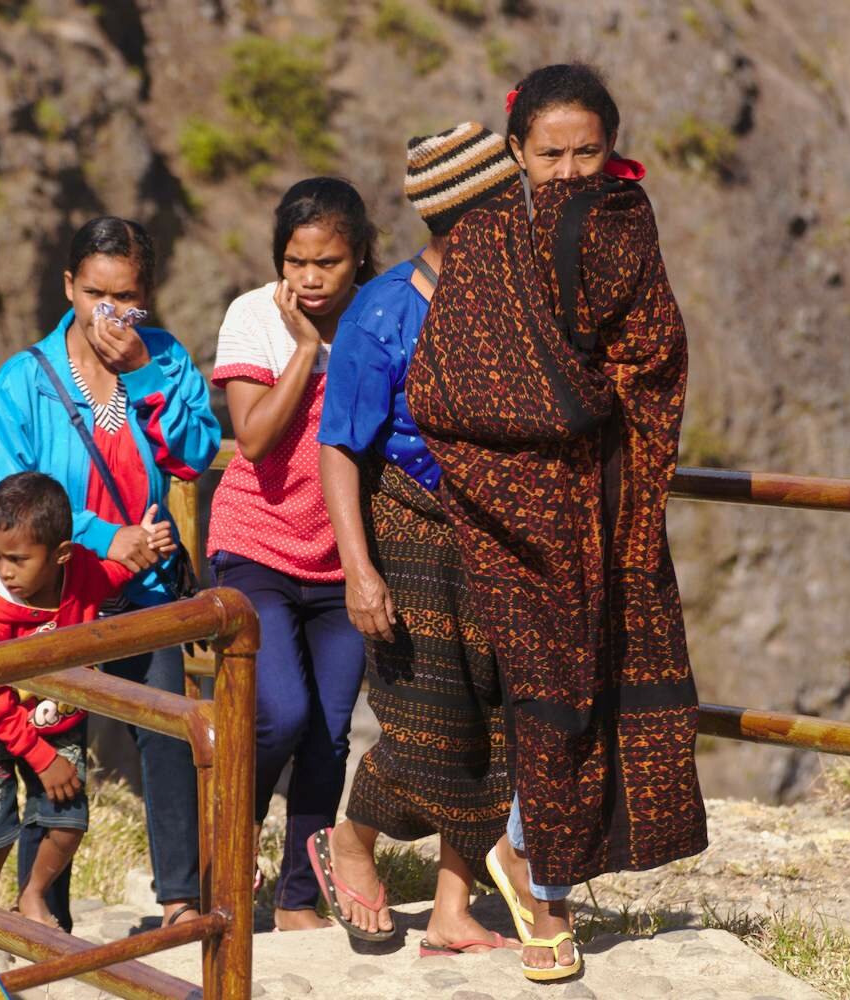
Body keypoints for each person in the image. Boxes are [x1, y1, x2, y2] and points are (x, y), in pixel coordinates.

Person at [407, 64, 707, 982]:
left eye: (588, 152)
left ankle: (531, 865)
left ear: (613, 149)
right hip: (518, 516)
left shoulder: (631, 227)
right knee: (550, 701)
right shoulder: (485, 241)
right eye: (550, 155)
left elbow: (657, 353)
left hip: (611, 510)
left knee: (599, 690)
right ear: (515, 153)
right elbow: (447, 385)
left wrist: (601, 411)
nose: (571, 171)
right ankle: (544, 899)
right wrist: (570, 406)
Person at [313, 123, 521, 955]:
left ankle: (449, 909)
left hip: (493, 539)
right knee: (426, 723)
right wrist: (359, 570)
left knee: (494, 723)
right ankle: (350, 839)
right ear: (468, 220)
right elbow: (340, 445)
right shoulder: (383, 311)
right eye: (505, 207)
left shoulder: (514, 302)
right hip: (409, 532)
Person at [0, 216, 221, 931]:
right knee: (55, 741)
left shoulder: (164, 357)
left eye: (126, 298)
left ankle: (179, 899)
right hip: (60, 598)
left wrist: (144, 372)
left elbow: (195, 455)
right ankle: (43, 909)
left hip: (145, 593)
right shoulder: (24, 382)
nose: (108, 313)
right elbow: (9, 495)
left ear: (147, 295)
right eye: (95, 294)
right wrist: (104, 537)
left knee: (169, 734)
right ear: (69, 287)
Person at [205, 178, 374, 932]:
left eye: (327, 263)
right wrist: (306, 348)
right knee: (279, 712)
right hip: (256, 546)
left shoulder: (379, 316)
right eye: (296, 261)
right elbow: (254, 438)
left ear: (357, 256)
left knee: (330, 731)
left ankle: (297, 896)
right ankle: (231, 843)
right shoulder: (254, 316)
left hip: (342, 560)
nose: (309, 278)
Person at [0, 472, 128, 925]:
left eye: (17, 559)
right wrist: (41, 758)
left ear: (61, 554)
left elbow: (106, 578)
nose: (5, 570)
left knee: (68, 820)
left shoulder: (80, 573)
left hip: (53, 718)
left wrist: (143, 549)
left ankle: (32, 895)